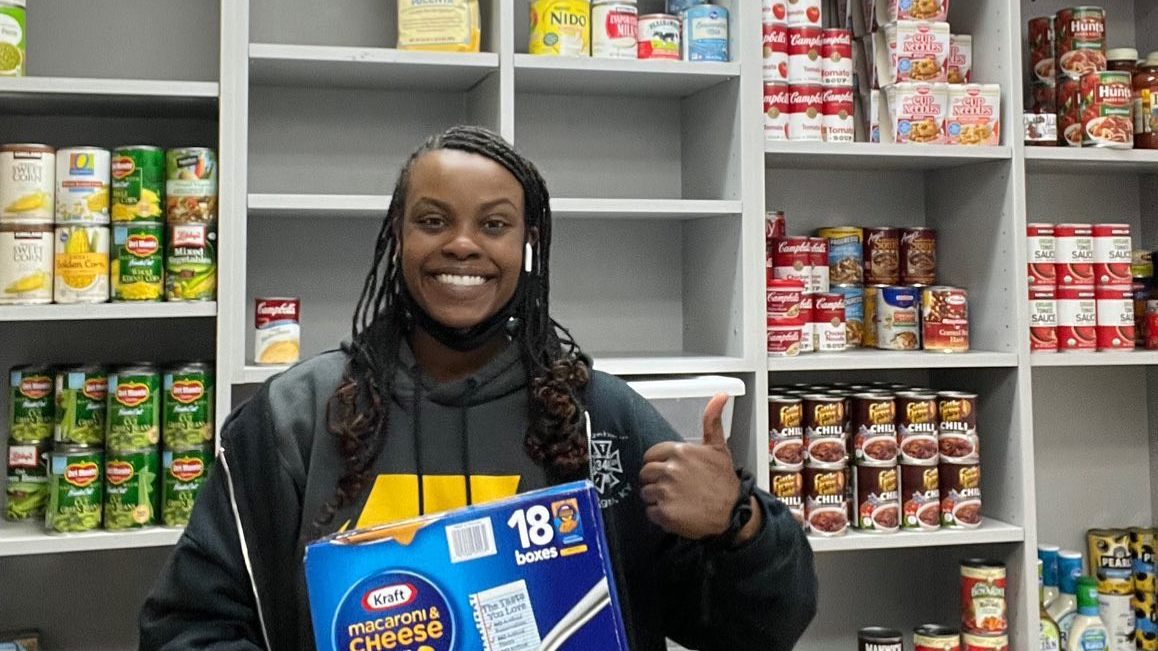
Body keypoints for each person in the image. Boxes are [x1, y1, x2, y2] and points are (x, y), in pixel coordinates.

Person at [139, 126, 817, 650]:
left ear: (528, 242)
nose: (463, 245)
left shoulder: (599, 419)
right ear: (395, 238)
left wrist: (740, 524)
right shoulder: (296, 416)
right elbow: (187, 625)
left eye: (494, 224)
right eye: (433, 221)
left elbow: (759, 630)